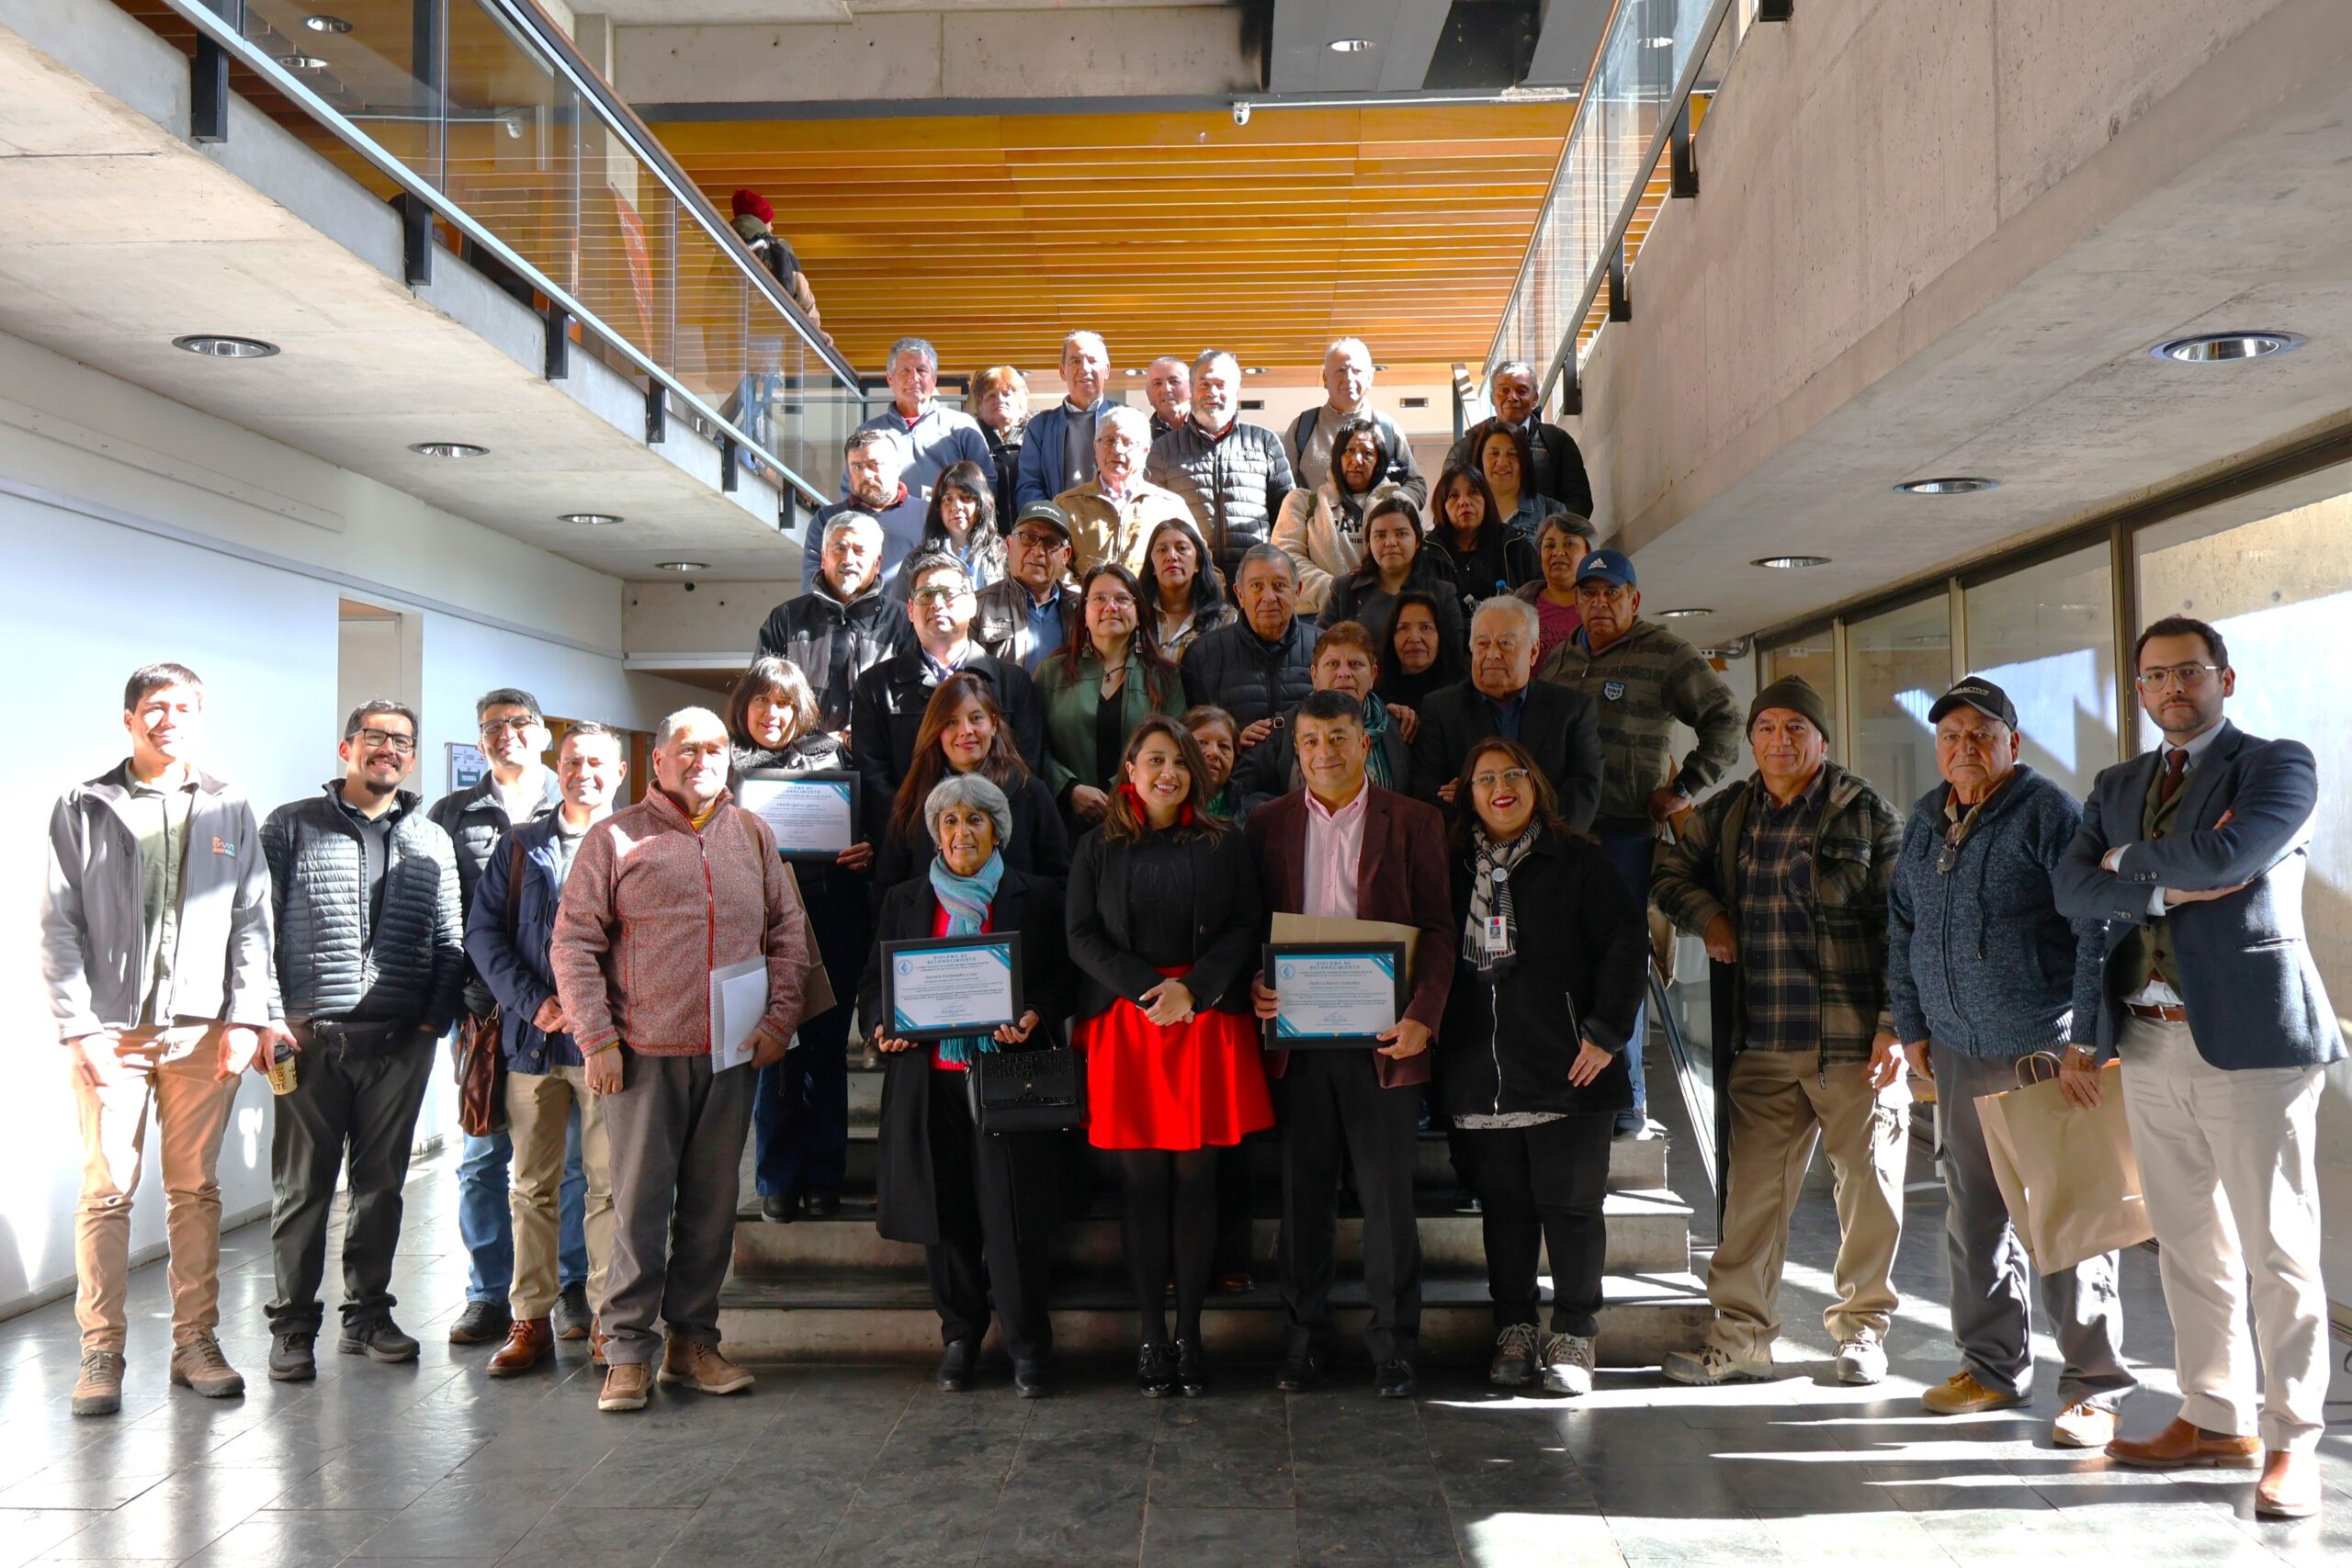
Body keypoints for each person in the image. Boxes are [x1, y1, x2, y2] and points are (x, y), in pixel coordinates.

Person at [2053, 616, 2342, 1519]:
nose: (2171, 688)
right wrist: (2160, 876)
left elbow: (2236, 854)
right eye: (2154, 677)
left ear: (2223, 677)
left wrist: (2127, 862)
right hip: (2145, 1036)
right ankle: (2214, 1413)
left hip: (2251, 1039)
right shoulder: (2116, 781)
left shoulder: (2276, 764)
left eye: (2187, 672)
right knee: (2184, 1242)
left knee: (2276, 1249)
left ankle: (2295, 1442)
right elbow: (2069, 888)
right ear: (2138, 692)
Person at [1883, 678, 2132, 1449]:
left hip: (2041, 1049)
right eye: (1951, 734)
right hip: (1956, 1048)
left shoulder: (2046, 812)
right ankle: (1991, 1365)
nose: (1965, 747)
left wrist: (2086, 1037)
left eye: (1982, 734)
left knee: (2068, 1214)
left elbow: (2095, 928)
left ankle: (2095, 1387)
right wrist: (1912, 1022)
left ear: (2012, 744)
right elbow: (1903, 924)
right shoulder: (1927, 820)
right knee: (1974, 1214)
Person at [550, 706, 816, 1415]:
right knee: (637, 1207)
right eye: (687, 748)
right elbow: (573, 944)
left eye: (717, 747)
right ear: (658, 761)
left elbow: (789, 932)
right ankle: (628, 1350)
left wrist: (777, 1020)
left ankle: (692, 1341)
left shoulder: (753, 833)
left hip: (730, 1054)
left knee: (711, 1206)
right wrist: (597, 1039)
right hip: (641, 1055)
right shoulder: (614, 839)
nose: (704, 758)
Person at [1652, 676, 1908, 1388]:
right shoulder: (1730, 812)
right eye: (1767, 726)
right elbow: (1669, 870)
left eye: (1797, 727)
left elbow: (1904, 929)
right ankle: (1741, 1338)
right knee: (1749, 1204)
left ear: (1822, 740)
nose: (1780, 740)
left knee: (1868, 1193)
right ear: (1752, 738)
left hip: (1854, 1047)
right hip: (1761, 1043)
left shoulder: (1866, 814)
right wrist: (1711, 918)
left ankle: (1862, 1332)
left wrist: (1892, 1026)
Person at [43, 663, 279, 1416]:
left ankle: (194, 1342)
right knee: (107, 1191)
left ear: (199, 717)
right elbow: (57, 923)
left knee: (195, 1190)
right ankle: (102, 1350)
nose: (167, 718)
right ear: (129, 719)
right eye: (154, 707)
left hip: (202, 1031)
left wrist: (246, 1016)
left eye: (181, 707)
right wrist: (78, 1026)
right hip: (110, 1033)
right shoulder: (85, 804)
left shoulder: (229, 803)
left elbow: (252, 918)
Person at [1247, 690, 1454, 1397]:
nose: (1324, 752)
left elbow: (1440, 929)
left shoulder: (1416, 821)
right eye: (1310, 741)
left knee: (1388, 1197)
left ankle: (1394, 1343)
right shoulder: (1265, 824)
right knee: (1303, 1197)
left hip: (1388, 1040)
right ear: (1295, 749)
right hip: (1297, 1043)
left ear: (1365, 743)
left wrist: (1425, 1012)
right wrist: (1254, 985)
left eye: (1338, 738)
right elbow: (1250, 930)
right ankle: (1305, 1338)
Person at [1068, 719, 1273, 1396]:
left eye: (1179, 761)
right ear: (1129, 767)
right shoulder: (1097, 846)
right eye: (1154, 759)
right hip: (1129, 1027)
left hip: (1204, 1023)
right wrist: (1148, 991)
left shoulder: (1224, 842)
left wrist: (1194, 990)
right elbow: (1080, 934)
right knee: (1142, 1185)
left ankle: (1190, 1333)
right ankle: (1151, 1335)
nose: (1168, 772)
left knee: (1197, 1183)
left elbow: (1248, 924)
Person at [260, 700, 464, 1382]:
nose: (388, 749)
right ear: (347, 747)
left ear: (410, 755)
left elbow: (450, 939)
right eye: (374, 737)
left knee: (381, 1187)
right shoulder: (292, 826)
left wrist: (431, 1024)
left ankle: (368, 1315)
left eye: (400, 740)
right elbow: (257, 930)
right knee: (303, 1188)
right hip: (310, 1040)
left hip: (399, 1043)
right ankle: (291, 1326)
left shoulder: (430, 836)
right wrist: (270, 1017)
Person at [1440, 740, 1645, 1395]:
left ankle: (1575, 1334)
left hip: (1571, 1067)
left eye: (1512, 775)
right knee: (1505, 1208)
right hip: (1481, 1068)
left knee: (1572, 1207)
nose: (1500, 787)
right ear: (1467, 792)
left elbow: (1625, 941)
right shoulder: (1446, 864)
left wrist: (1606, 1032)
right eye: (1485, 778)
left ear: (1536, 784)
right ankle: (1515, 1328)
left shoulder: (1577, 859)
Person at [864, 774, 1076, 1398]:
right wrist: (882, 1025)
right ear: (935, 832)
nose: (962, 833)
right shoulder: (904, 899)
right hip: (929, 1082)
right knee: (946, 1215)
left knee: (1013, 1218)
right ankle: (960, 1334)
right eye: (950, 821)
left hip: (1007, 1079)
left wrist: (1036, 1010)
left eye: (976, 820)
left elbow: (1063, 977)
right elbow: (871, 983)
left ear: (998, 830)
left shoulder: (1033, 895)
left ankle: (1028, 1344)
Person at [1540, 550, 1743, 1136]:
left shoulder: (1667, 653)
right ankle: (1577, 1088)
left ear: (1634, 598)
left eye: (1612, 592)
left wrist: (1685, 788)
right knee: (1570, 961)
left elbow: (1725, 720)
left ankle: (1628, 1100)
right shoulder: (1558, 659)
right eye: (1589, 593)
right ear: (1576, 600)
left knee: (1622, 962)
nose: (1599, 603)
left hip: (1628, 837)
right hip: (1566, 838)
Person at [463, 721, 628, 1378]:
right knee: (530, 1186)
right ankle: (529, 1317)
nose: (581, 771)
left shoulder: (637, 841)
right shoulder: (519, 846)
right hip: (534, 1045)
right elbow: (483, 934)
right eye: (570, 761)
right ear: (555, 769)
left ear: (619, 772)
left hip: (610, 1047)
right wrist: (536, 1002)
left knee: (610, 1188)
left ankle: (608, 1322)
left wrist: (594, 1015)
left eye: (595, 761)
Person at [428, 689, 572, 1351]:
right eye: (491, 727)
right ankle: (488, 1293)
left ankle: (569, 1286)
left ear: (544, 733)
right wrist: (466, 996)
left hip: (574, 1014)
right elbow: (446, 916)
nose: (505, 734)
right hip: (488, 1016)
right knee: (485, 1154)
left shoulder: (577, 801)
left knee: (568, 1161)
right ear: (479, 741)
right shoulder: (452, 814)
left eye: (519, 723)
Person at [727, 657, 874, 1225]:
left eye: (785, 703)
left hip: (833, 920)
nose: (773, 713)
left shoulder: (834, 758)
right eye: (762, 701)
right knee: (774, 1052)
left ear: (802, 709)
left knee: (825, 1051)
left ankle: (824, 1176)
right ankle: (777, 1179)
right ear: (744, 705)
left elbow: (866, 831)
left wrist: (865, 851)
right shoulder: (726, 765)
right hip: (758, 928)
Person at [849, 552, 1045, 849]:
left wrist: (981, 831)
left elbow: (1025, 770)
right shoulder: (875, 686)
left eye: (949, 594)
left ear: (972, 604)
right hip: (910, 854)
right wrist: (927, 835)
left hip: (999, 849)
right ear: (910, 609)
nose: (937, 604)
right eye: (926, 595)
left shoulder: (1013, 683)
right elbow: (874, 779)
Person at [1408, 597, 1602, 831]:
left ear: (1533, 652)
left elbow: (1583, 792)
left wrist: (1531, 839)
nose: (1492, 655)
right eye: (1482, 644)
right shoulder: (1440, 708)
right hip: (1468, 854)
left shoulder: (1573, 710)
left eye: (1505, 644)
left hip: (1551, 852)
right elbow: (1426, 792)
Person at [873, 672, 1072, 893]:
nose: (965, 731)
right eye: (951, 722)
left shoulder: (1030, 793)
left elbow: (1060, 883)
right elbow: (888, 890)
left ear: (994, 724)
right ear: (936, 731)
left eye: (976, 718)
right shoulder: (914, 797)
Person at [1035, 564, 1188, 827]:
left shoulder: (1166, 678)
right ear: (1084, 614)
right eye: (1099, 598)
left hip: (1143, 822)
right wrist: (1069, 788)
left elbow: (1176, 750)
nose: (1110, 607)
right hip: (1063, 821)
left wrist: (1121, 792)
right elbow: (1032, 745)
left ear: (1139, 613)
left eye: (1122, 599)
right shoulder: (1051, 674)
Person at [1148, 349, 1297, 587]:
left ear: (1236, 391)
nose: (1212, 392)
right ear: (1191, 390)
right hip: (1190, 587)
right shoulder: (1163, 450)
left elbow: (1289, 518)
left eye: (1221, 384)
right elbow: (1151, 521)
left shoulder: (1264, 442)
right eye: (1204, 384)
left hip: (1256, 583)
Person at [757, 510, 910, 737]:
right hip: (800, 760)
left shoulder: (902, 621)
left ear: (877, 563)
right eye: (839, 549)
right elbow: (760, 695)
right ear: (823, 558)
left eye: (859, 551)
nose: (848, 559)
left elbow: (911, 700)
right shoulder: (787, 618)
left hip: (878, 760)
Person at [1231, 621, 1412, 805]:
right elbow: (1238, 792)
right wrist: (1285, 817)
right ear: (1314, 675)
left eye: (1355, 664)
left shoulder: (1400, 729)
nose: (1344, 673)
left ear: (1373, 675)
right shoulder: (1278, 732)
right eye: (1333, 664)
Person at [1178, 545, 1320, 751]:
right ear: (1240, 594)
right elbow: (1190, 739)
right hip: (1236, 776)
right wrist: (1232, 744)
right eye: (1256, 586)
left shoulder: (1323, 649)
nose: (1269, 597)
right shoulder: (1202, 655)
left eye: (1279, 585)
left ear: (1297, 591)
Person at [1271, 413, 1400, 614]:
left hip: (1383, 615)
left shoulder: (1399, 505)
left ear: (1379, 461)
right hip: (1318, 616)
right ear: (1337, 457)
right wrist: (1329, 591)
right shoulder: (1302, 503)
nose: (1356, 460)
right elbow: (1284, 557)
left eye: (1367, 453)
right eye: (1349, 451)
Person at [1282, 337, 1427, 508]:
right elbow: (1283, 489)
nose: (1349, 378)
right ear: (1325, 378)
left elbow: (1416, 486)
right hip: (1317, 532)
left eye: (1357, 371)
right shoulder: (1303, 427)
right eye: (1340, 370)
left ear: (1370, 378)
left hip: (1376, 533)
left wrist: (1384, 506)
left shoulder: (1388, 429)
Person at [849, 336, 995, 503]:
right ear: (890, 379)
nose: (914, 378)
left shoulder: (961, 426)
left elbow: (987, 485)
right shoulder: (869, 433)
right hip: (885, 527)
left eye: (921, 370)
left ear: (934, 379)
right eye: (904, 370)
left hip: (948, 526)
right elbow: (852, 490)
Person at [1055, 405, 1193, 579]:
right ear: (1096, 448)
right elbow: (1054, 566)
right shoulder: (1067, 505)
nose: (1117, 450)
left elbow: (1199, 561)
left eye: (1127, 442)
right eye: (1109, 441)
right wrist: (1087, 600)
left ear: (1145, 452)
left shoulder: (1170, 506)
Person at [1321, 495, 1466, 656]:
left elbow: (1454, 661)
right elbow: (1320, 649)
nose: (1390, 542)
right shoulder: (1344, 591)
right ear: (1369, 544)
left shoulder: (1443, 594)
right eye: (1380, 535)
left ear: (1418, 540)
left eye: (1401, 534)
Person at [1446, 360, 1592, 516]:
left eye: (1522, 391)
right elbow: (1447, 501)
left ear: (1535, 398)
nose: (1512, 397)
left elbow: (1579, 502)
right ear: (1492, 398)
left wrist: (1549, 534)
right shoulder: (1466, 447)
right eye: (1504, 391)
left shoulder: (1557, 441)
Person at [799, 429, 930, 593]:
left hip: (907, 617)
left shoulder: (928, 515)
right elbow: (812, 587)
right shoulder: (827, 519)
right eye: (856, 467)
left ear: (898, 466)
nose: (866, 474)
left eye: (873, 465)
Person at [974, 502, 1079, 672]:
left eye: (1051, 542)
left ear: (1065, 555)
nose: (1038, 552)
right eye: (1028, 538)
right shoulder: (977, 607)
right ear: (1008, 545)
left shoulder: (1082, 612)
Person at [1014, 330, 1114, 508]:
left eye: (1092, 360)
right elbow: (1029, 486)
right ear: (1062, 371)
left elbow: (1144, 477)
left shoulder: (1129, 419)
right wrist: (1052, 523)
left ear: (1106, 370)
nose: (1084, 369)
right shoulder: (1040, 427)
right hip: (1058, 529)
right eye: (1075, 361)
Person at [1428, 465, 1537, 603]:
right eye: (1454, 496)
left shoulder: (1514, 545)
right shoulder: (1430, 554)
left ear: (1487, 500)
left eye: (1473, 493)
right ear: (1442, 506)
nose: (1464, 502)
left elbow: (1541, 598)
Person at [899, 458, 1006, 597]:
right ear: (938, 508)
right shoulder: (916, 560)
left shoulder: (1003, 555)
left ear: (982, 503)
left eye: (966, 497)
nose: (956, 506)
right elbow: (900, 614)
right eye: (948, 499)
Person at [728, 188, 824, 339]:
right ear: (761, 221)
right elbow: (802, 293)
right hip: (765, 333)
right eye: (769, 221)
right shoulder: (777, 246)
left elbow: (712, 298)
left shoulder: (723, 246)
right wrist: (816, 332)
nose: (772, 227)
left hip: (727, 337)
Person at [1140, 515, 1234, 663]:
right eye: (1162, 550)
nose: (1171, 556)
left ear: (1198, 563)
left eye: (1182, 548)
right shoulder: (1135, 618)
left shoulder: (1225, 620)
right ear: (1152, 566)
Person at [1515, 513, 1597, 667]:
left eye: (1569, 544)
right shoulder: (1518, 606)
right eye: (1550, 546)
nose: (1558, 552)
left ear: (1589, 553)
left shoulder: (1604, 605)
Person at [1375, 591, 1467, 715]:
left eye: (1425, 627)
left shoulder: (1463, 690)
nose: (1414, 638)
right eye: (1404, 628)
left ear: (1440, 634)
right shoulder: (1376, 695)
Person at [1476, 425, 1563, 539]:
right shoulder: (1466, 512)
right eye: (1494, 453)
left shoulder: (1552, 511)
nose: (1502, 462)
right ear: (1480, 459)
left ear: (1524, 460)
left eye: (1512, 454)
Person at [972, 364, 1029, 525]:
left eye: (1006, 394)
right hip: (986, 534)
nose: (1000, 400)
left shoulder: (1037, 437)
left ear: (1019, 401)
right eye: (990, 395)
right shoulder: (971, 440)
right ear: (979, 405)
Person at [1183, 705, 1250, 822]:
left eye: (1224, 746)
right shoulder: (1163, 811)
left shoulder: (1247, 810)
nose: (1214, 752)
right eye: (1202, 742)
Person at [1145, 354, 1191, 439]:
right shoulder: (1141, 437)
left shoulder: (1211, 427)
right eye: (1157, 383)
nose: (1166, 389)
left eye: (1174, 381)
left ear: (1191, 388)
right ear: (1148, 395)